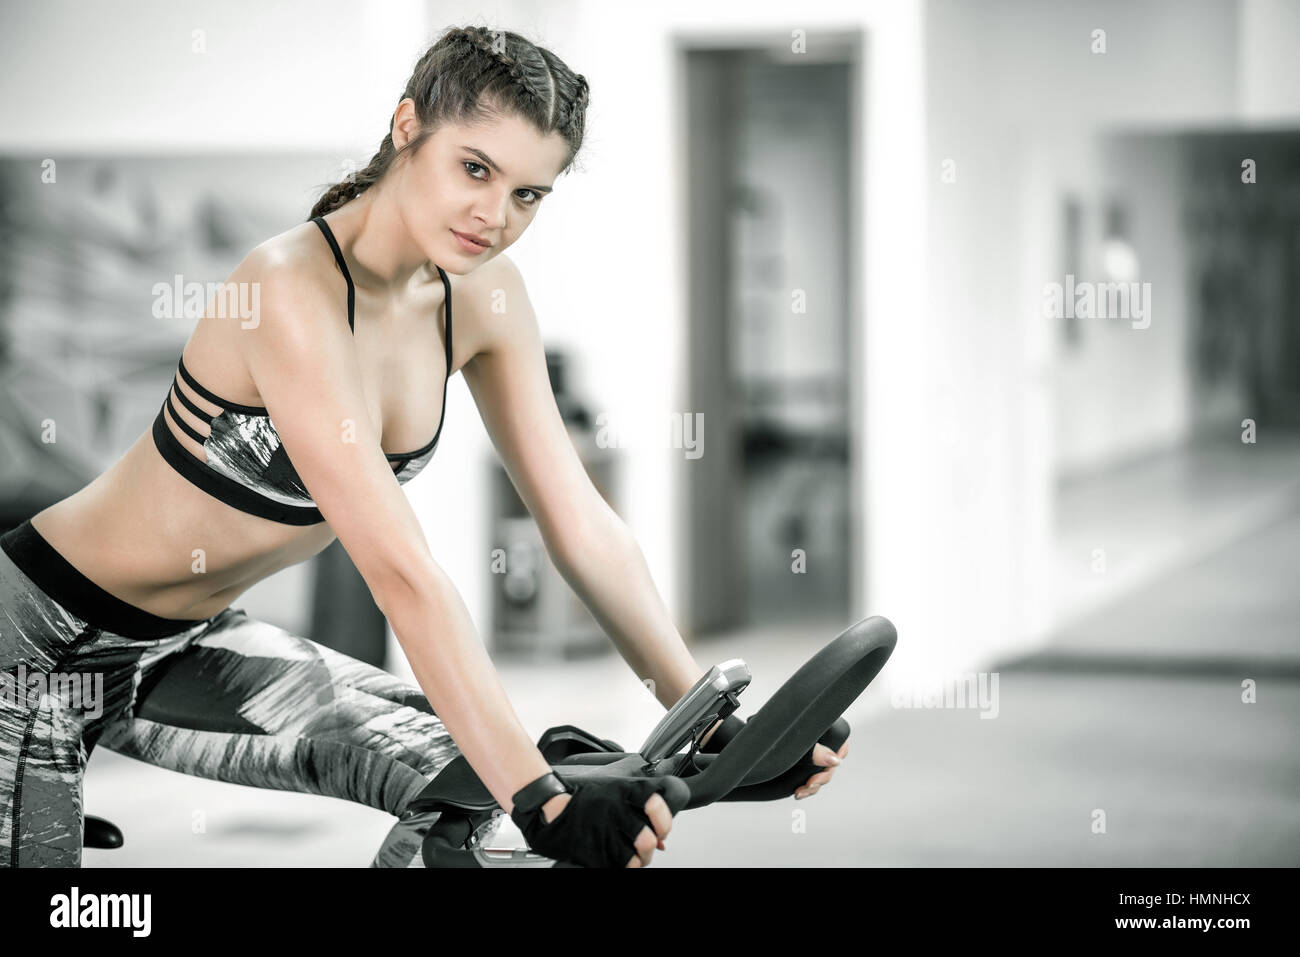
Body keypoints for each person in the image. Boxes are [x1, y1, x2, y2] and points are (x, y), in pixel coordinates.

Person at [0, 24, 846, 870]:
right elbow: (403, 574)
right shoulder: (289, 287)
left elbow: (580, 521)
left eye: (528, 194)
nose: (495, 216)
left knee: (467, 789)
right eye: (475, 169)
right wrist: (545, 799)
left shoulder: (485, 298)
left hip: (189, 644)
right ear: (407, 128)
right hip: (32, 647)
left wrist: (703, 714)